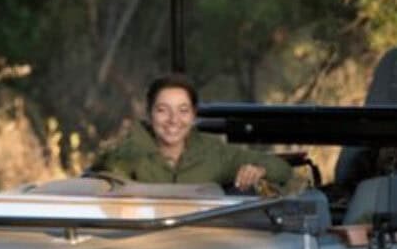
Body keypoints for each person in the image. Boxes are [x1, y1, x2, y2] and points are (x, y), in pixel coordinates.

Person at [91, 74, 295, 192]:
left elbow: (281, 168)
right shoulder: (128, 150)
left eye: (183, 110)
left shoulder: (212, 152)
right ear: (149, 114)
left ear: (194, 115)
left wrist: (259, 170)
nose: (173, 120)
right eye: (162, 110)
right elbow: (101, 178)